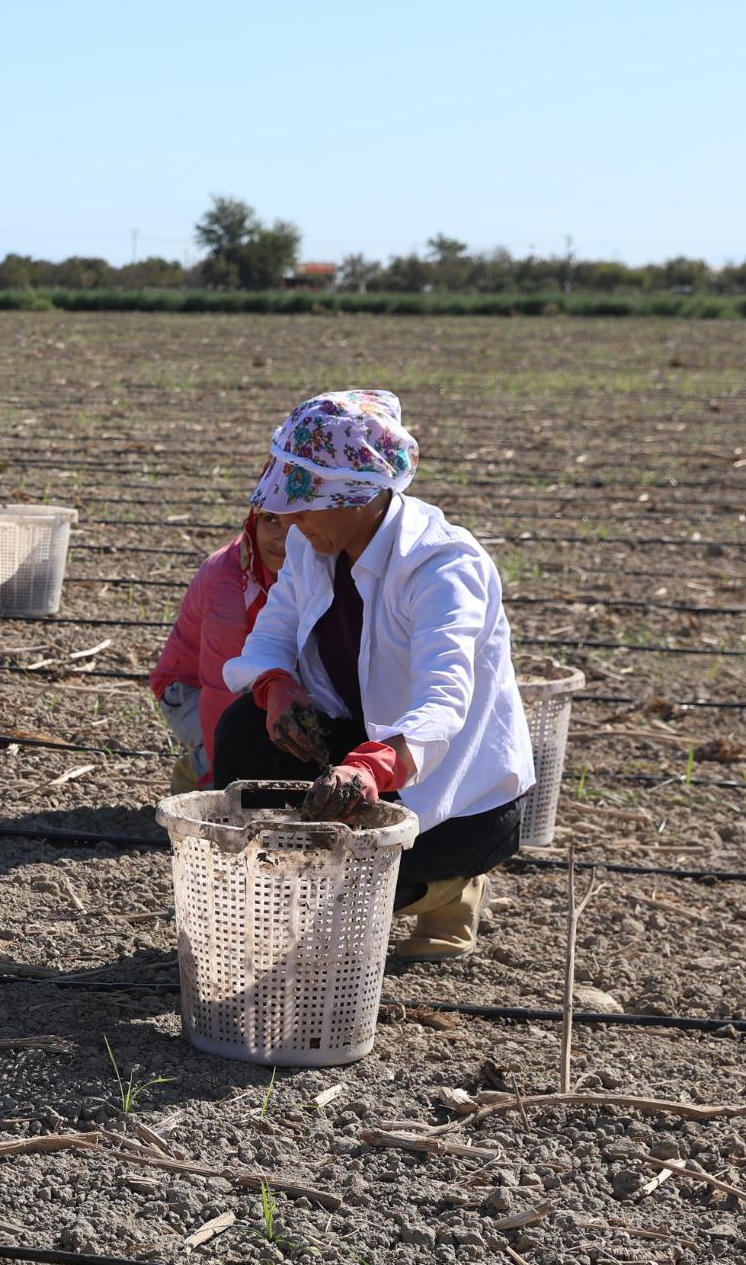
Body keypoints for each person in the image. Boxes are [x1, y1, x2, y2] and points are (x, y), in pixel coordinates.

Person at [219, 390, 535, 961]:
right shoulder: (312, 541)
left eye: (305, 502)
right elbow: (272, 632)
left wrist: (372, 767)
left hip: (454, 792)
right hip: (357, 742)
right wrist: (277, 687)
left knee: (349, 881)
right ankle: (284, 903)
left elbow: (443, 702)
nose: (288, 517)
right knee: (244, 729)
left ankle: (450, 888)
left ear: (361, 498)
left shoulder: (442, 566)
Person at [147, 496, 286, 792]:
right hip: (189, 689)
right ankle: (198, 772)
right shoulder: (228, 587)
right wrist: (223, 782)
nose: (280, 536)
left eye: (295, 522)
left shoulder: (315, 567)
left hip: (261, 682)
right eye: (270, 519)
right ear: (254, 520)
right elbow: (221, 692)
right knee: (250, 740)